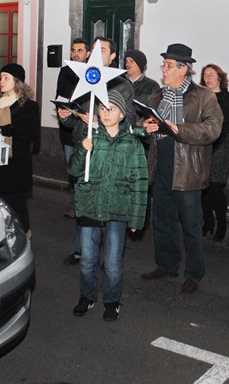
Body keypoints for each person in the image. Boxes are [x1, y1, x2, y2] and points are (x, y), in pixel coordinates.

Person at [140, 43, 223, 294]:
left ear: (183, 68)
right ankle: (166, 265)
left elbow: (213, 129)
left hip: (188, 171)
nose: (163, 70)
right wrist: (146, 128)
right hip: (160, 168)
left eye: (168, 65)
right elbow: (145, 124)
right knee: (162, 221)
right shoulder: (157, 96)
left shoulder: (204, 96)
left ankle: (194, 273)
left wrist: (180, 130)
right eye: (163, 65)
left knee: (191, 226)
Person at [68, 91, 148, 321]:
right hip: (90, 206)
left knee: (112, 262)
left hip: (117, 210)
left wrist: (136, 217)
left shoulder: (132, 143)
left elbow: (140, 181)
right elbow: (73, 170)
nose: (105, 113)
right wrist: (82, 150)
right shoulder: (90, 136)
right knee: (87, 259)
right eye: (102, 108)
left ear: (122, 114)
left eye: (111, 109)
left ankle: (112, 301)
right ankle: (87, 296)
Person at [59, 36, 135, 265]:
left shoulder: (122, 84)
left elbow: (130, 120)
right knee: (83, 202)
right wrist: (66, 116)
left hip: (109, 153)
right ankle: (83, 251)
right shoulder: (86, 77)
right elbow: (75, 118)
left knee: (108, 206)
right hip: (84, 149)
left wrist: (99, 121)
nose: (94, 53)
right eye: (93, 49)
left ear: (112, 56)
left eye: (101, 50)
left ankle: (109, 258)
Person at [0, 63, 40, 236]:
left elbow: (31, 135)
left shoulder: (29, 106)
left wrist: (7, 129)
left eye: (6, 78)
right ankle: (0, 235)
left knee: (17, 204)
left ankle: (23, 236)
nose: (1, 81)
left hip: (17, 163)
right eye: (1, 77)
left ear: (17, 82)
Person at [199, 64, 229, 242]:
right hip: (203, 147)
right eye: (205, 75)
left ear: (219, 78)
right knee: (203, 188)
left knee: (216, 188)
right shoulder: (200, 97)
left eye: (212, 75)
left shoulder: (228, 100)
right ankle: (207, 221)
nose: (208, 78)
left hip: (221, 148)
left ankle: (222, 224)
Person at [124, 49, 160, 241]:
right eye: (126, 60)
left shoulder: (152, 86)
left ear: (141, 64)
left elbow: (154, 113)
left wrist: (144, 128)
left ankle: (141, 220)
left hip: (142, 140)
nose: (128, 63)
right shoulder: (119, 83)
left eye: (132, 60)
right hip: (123, 137)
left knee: (141, 182)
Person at [56, 38, 91, 220]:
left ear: (88, 54)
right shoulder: (65, 72)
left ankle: (85, 206)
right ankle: (75, 205)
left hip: (87, 130)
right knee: (74, 170)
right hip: (69, 131)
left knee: (88, 170)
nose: (75, 54)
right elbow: (60, 98)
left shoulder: (93, 73)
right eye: (73, 50)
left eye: (80, 50)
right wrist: (64, 113)